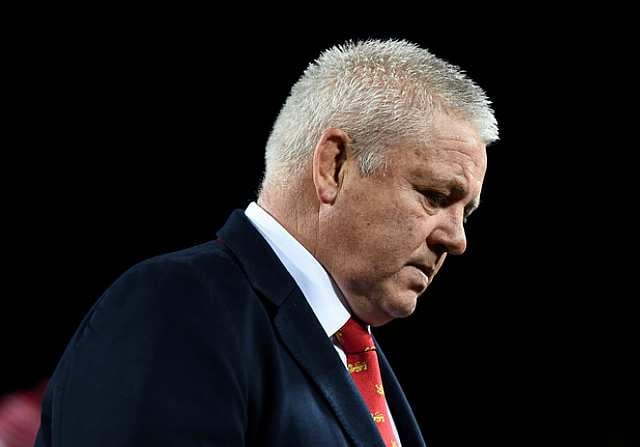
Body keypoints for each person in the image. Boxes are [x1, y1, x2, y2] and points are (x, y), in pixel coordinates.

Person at [35, 39, 498, 446]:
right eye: (436, 196)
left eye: (466, 212)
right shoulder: (174, 308)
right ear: (334, 168)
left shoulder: (349, 351)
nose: (456, 240)